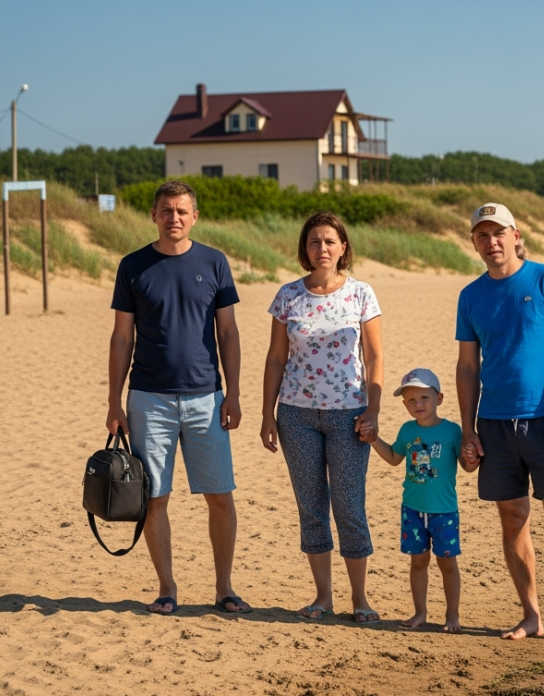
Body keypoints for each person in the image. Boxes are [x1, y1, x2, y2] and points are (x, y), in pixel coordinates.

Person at [455, 202, 544, 647]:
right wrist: (468, 429)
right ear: (474, 242)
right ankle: (531, 614)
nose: (491, 242)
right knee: (512, 519)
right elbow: (466, 368)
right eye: (482, 235)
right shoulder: (471, 295)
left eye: (499, 233)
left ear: (516, 236)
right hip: (493, 423)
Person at [106, 180, 248, 615]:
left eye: (182, 211)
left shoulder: (214, 261)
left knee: (220, 495)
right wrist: (115, 402)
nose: (174, 218)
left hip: (208, 398)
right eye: (166, 211)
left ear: (195, 216)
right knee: (155, 498)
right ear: (153, 214)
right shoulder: (133, 266)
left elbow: (228, 332)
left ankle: (224, 587)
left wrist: (234, 394)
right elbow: (121, 336)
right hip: (149, 399)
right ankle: (166, 587)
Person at [260, 211, 385, 624]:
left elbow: (375, 356)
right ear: (305, 249)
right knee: (311, 507)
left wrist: (373, 409)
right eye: (314, 242)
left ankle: (361, 599)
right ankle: (322, 597)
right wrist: (267, 413)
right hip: (295, 415)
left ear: (343, 247)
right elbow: (277, 357)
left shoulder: (362, 294)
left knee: (349, 505)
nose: (322, 249)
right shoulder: (288, 296)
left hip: (349, 415)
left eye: (330, 241)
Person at [365, 368, 474, 633]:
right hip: (412, 511)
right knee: (418, 563)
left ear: (439, 399)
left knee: (447, 563)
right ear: (404, 405)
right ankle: (420, 612)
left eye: (424, 397)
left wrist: (473, 456)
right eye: (411, 400)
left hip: (444, 511)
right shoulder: (407, 430)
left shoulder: (452, 431)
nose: (418, 404)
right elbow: (393, 458)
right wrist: (372, 439)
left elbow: (468, 467)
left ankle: (452, 615)